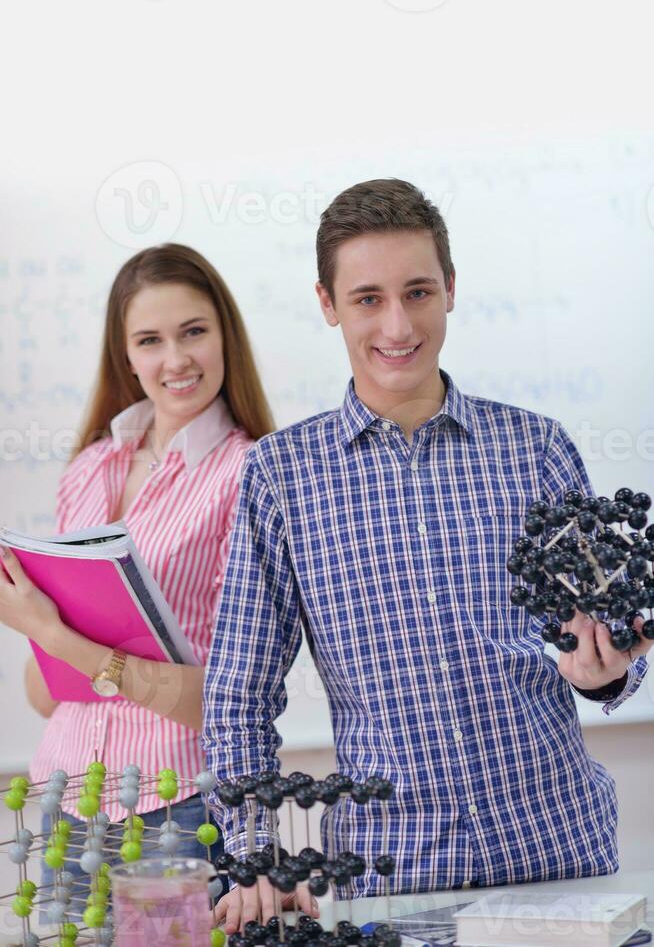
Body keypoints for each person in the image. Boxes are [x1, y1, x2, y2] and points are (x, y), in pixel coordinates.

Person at [202, 179, 651, 930]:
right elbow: (239, 698)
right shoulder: (281, 477)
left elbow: (601, 653)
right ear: (328, 305)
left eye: (417, 291)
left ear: (449, 289)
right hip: (394, 876)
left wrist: (609, 671)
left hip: (560, 853)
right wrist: (250, 855)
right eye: (368, 299)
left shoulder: (535, 448)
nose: (398, 324)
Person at [0, 242, 274, 870]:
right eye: (149, 340)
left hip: (177, 801)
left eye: (194, 332)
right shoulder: (89, 468)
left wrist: (47, 631)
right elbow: (49, 696)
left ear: (225, 337)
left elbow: (231, 699)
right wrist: (37, 625)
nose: (175, 359)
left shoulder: (250, 473)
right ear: (125, 354)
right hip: (64, 796)